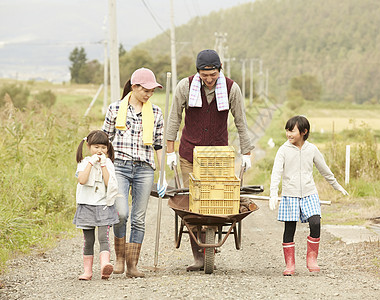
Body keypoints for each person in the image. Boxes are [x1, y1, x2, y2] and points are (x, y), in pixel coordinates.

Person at [166, 49, 254, 271]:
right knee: (193, 205)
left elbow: (241, 121)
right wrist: (169, 151)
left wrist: (247, 153)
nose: (209, 79)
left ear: (219, 70)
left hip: (218, 157)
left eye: (213, 74)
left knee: (215, 199)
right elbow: (174, 118)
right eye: (204, 75)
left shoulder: (232, 88)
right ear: (198, 72)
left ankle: (210, 244)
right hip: (189, 154)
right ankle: (199, 255)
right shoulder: (185, 87)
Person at [102, 67, 166, 278]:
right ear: (134, 86)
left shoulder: (156, 112)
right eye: (145, 90)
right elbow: (104, 140)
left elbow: (158, 145)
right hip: (119, 166)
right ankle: (119, 258)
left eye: (152, 91)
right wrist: (101, 165)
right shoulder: (114, 109)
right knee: (121, 213)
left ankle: (132, 265)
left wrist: (163, 175)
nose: (149, 94)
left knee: (139, 218)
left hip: (144, 169)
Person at [269, 115, 348, 275]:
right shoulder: (283, 150)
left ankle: (311, 258)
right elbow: (276, 173)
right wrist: (273, 193)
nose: (289, 134)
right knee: (289, 228)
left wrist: (336, 185)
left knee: (315, 222)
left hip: (309, 193)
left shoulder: (311, 149)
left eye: (292, 131)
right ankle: (290, 265)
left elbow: (324, 169)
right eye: (287, 131)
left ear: (304, 132)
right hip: (290, 194)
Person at [73, 130, 119, 281]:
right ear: (88, 146)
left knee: (103, 237)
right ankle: (87, 271)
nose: (100, 151)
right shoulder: (83, 162)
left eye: (103, 148)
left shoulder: (109, 163)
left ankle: (105, 266)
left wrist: (104, 165)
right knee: (89, 240)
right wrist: (91, 163)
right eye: (96, 147)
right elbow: (82, 180)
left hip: (103, 206)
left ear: (108, 148)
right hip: (86, 205)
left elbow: (108, 183)